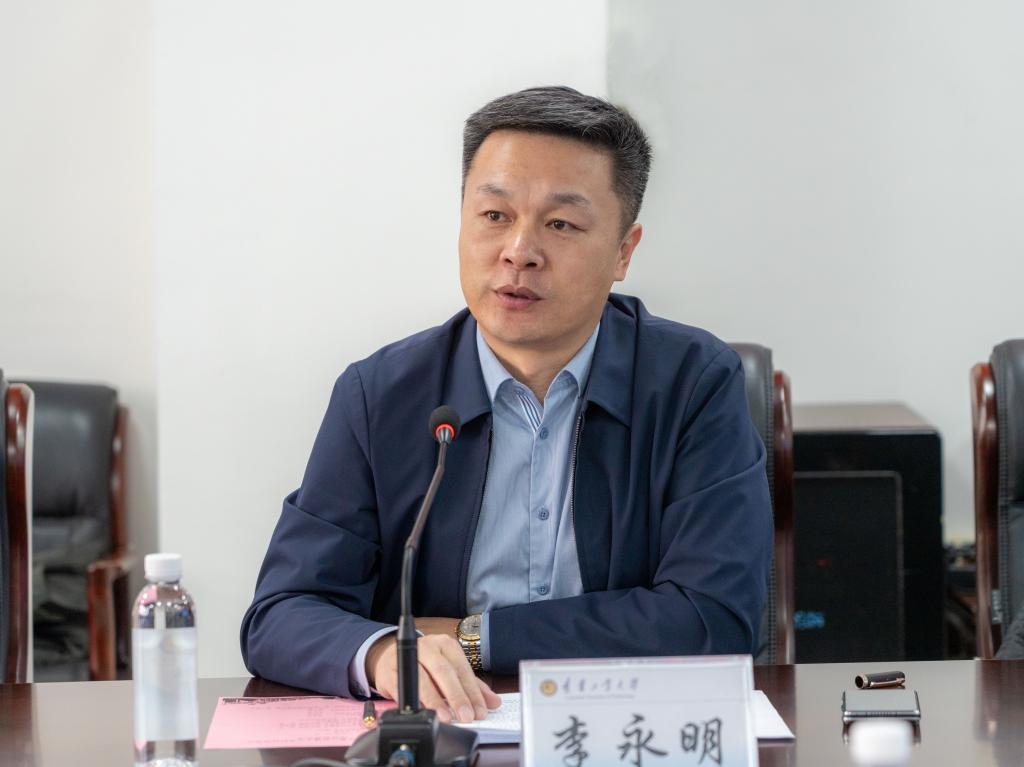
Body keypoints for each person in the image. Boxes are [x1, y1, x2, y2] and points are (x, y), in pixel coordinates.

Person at [240, 86, 773, 723]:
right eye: (494, 215)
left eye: (561, 224)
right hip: (445, 729)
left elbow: (714, 618)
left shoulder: (693, 383)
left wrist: (474, 638)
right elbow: (282, 612)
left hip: (622, 730)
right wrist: (383, 652)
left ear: (623, 251)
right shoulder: (380, 393)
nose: (519, 251)